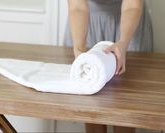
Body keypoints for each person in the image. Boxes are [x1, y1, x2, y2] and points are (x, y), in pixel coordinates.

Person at [64, 0, 153, 133]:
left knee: (126, 103)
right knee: (91, 102)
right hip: (86, 22)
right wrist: (79, 49)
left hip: (130, 19)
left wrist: (123, 43)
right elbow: (78, 6)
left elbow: (132, 5)